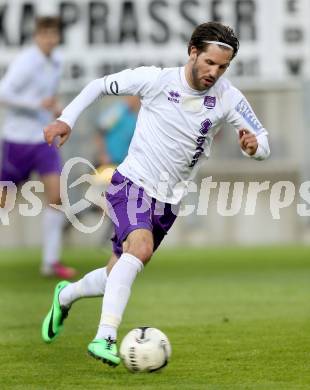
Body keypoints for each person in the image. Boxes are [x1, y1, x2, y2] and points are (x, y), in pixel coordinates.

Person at [41, 22, 270, 366]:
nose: (214, 72)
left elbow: (261, 138)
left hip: (168, 201)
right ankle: (105, 336)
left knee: (118, 270)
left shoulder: (228, 97)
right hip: (131, 183)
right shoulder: (156, 80)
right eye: (209, 62)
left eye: (223, 67)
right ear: (192, 52)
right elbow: (98, 86)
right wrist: (66, 119)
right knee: (141, 248)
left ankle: (66, 296)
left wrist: (255, 148)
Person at [0, 17, 77, 279]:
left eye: (53, 33)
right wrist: (36, 104)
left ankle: (50, 261)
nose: (49, 38)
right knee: (4, 199)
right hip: (18, 140)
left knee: (55, 197)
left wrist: (54, 110)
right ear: (36, 36)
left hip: (43, 138)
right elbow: (3, 93)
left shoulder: (55, 61)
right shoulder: (27, 62)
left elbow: (47, 98)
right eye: (45, 34)